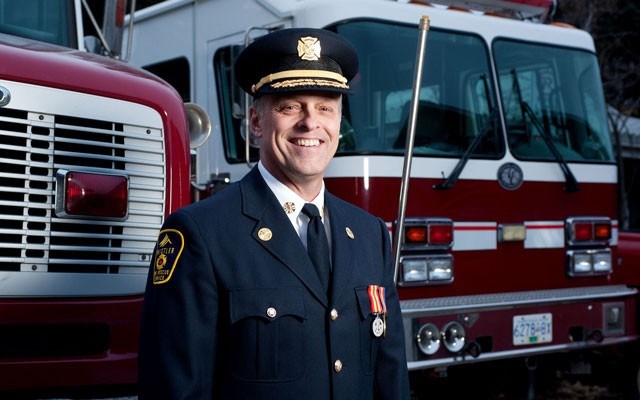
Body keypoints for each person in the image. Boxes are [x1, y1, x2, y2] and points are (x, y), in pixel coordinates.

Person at [138, 27, 410, 400]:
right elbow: (175, 390)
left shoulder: (369, 234)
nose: (310, 122)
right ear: (255, 123)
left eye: (326, 107)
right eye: (290, 106)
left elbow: (390, 379)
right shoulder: (201, 234)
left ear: (338, 123)